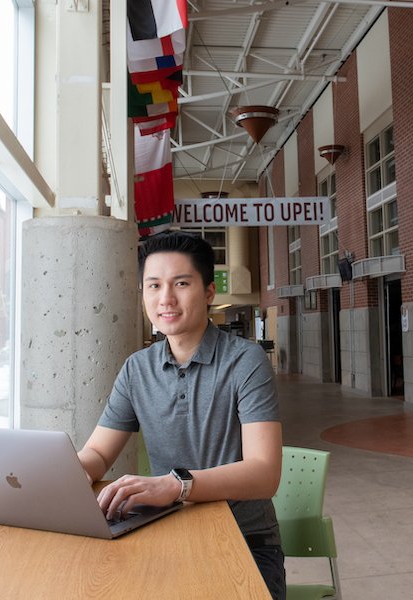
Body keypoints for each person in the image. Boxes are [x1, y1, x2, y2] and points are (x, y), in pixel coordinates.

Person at [78, 231, 285, 599]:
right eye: (153, 286)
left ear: (208, 292)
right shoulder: (136, 369)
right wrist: (66, 472)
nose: (165, 299)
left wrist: (175, 485)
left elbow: (264, 474)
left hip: (244, 538)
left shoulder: (245, 361)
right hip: (165, 530)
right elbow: (97, 454)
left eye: (181, 283)